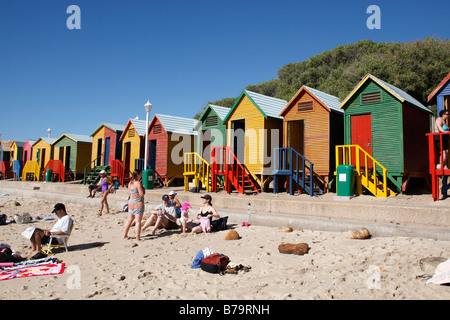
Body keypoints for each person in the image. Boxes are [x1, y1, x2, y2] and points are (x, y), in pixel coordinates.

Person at [123, 170, 145, 241]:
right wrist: (143, 188)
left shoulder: (130, 183)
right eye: (140, 174)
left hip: (131, 202)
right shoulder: (138, 183)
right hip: (138, 203)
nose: (141, 176)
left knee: (129, 220)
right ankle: (137, 237)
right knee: (138, 221)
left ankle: (125, 235)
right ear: (138, 175)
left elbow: (129, 193)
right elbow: (142, 194)